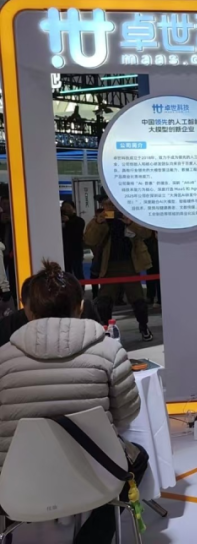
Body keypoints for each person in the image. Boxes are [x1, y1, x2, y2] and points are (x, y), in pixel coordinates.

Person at [0, 260, 144, 544]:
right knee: (138, 460)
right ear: (80, 307)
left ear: (27, 310)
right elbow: (127, 415)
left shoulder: (3, 359)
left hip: (17, 484)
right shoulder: (110, 351)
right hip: (98, 480)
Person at [83, 199, 154, 342]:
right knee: (104, 301)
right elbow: (89, 240)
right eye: (107, 204)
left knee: (138, 300)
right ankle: (106, 330)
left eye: (113, 204)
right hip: (108, 266)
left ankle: (144, 326)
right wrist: (99, 222)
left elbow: (147, 233)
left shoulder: (131, 214)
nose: (111, 207)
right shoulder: (100, 219)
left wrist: (130, 222)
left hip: (130, 264)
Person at [61, 199, 86, 281]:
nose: (66, 209)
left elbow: (77, 232)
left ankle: (81, 287)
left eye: (68, 207)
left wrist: (68, 222)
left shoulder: (79, 221)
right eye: (64, 207)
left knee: (78, 271)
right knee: (66, 272)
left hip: (76, 251)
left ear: (74, 209)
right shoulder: (59, 221)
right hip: (64, 251)